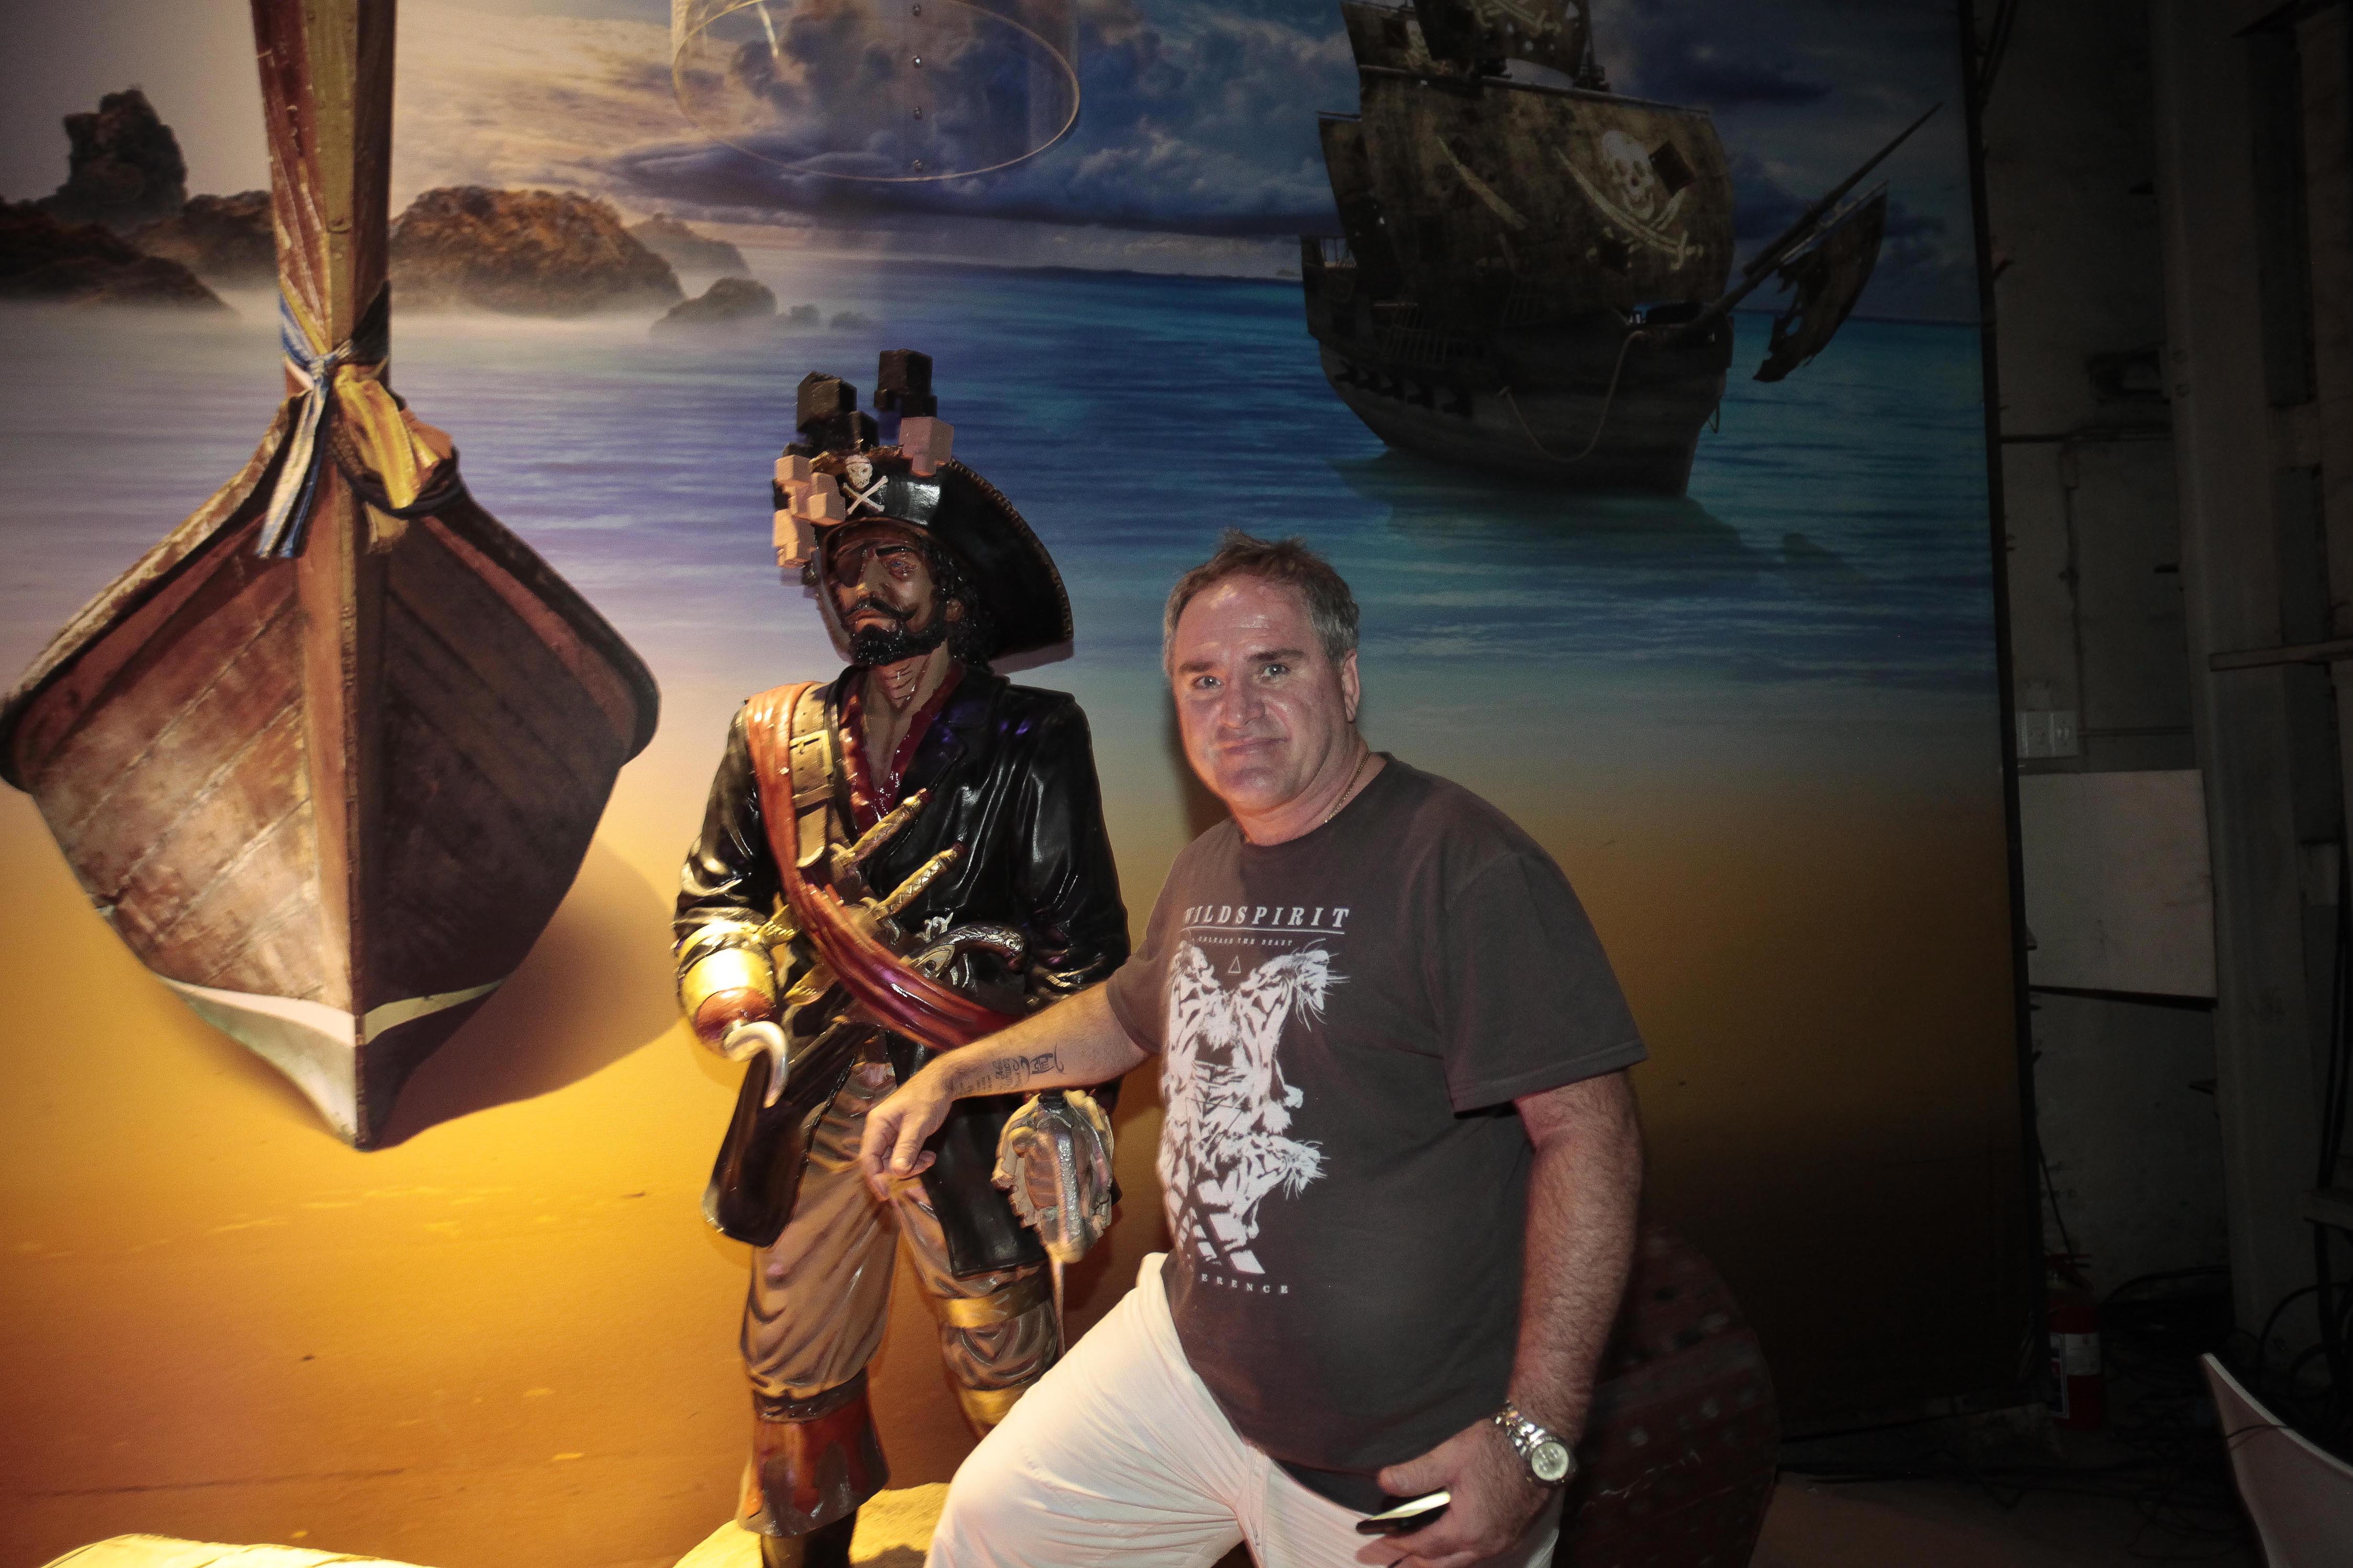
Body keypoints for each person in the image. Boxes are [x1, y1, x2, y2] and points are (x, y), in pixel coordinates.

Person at [860, 530, 1648, 1568]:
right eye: (1204, 679)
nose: (1235, 709)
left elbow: (1592, 1137)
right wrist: (955, 1074)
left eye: (1273, 668)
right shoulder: (1208, 866)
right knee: (994, 1525)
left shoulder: (1464, 864)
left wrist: (1534, 1438)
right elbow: (1126, 1017)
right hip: (1191, 1371)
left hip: (1397, 1450)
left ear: (1347, 679)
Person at [673, 352, 1129, 1568]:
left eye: (894, 565)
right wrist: (738, 994)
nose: (863, 594)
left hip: (970, 1107)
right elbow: (715, 898)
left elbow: (1084, 953)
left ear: (952, 585)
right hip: (817, 1095)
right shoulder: (770, 734)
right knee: (792, 1371)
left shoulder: (1034, 738)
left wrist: (1062, 1106)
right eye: (843, 569)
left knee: (1008, 1368)